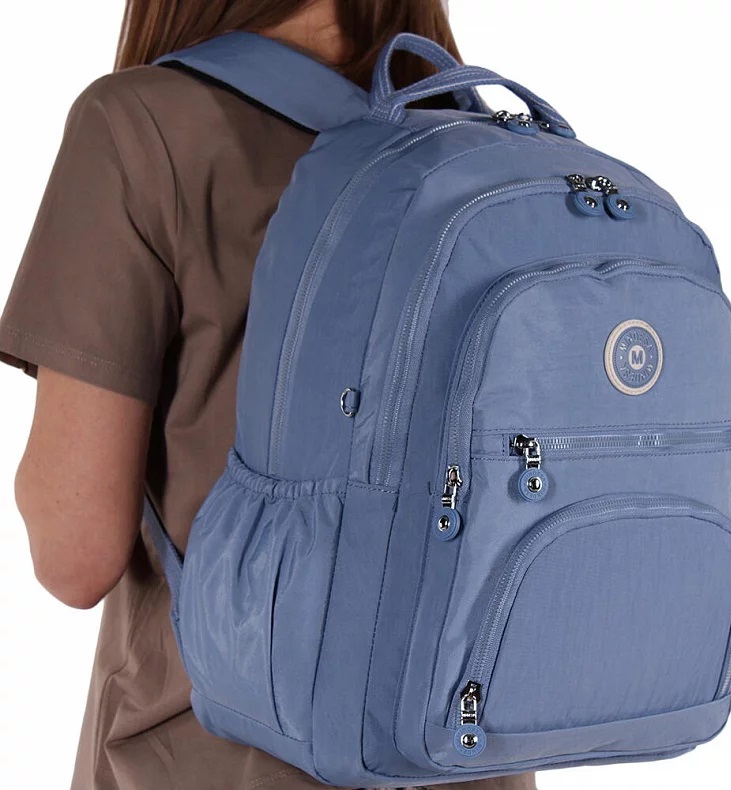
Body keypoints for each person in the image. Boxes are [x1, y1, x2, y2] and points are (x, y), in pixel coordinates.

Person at [0, 1, 540, 788]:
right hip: (467, 758)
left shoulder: (143, 127)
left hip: (213, 761)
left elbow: (74, 555)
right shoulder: (495, 148)